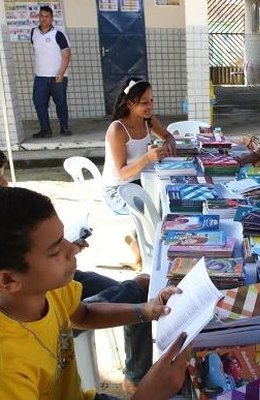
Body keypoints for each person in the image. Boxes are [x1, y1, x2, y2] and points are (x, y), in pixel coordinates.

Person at [0, 186, 191, 400]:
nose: (72, 249)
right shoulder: (7, 368)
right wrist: (147, 394)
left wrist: (145, 311)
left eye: (63, 238)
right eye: (54, 251)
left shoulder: (46, 290)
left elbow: (84, 314)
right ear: (8, 280)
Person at [102, 77, 177, 215]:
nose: (150, 106)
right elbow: (122, 173)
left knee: (173, 197)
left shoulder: (147, 119)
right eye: (144, 102)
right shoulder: (117, 130)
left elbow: (167, 136)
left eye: (151, 101)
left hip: (142, 181)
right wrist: (147, 158)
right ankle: (142, 235)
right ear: (130, 103)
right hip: (118, 190)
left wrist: (169, 141)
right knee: (157, 208)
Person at [31, 6, 72, 138]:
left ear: (51, 18)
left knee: (60, 103)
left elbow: (66, 54)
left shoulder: (58, 34)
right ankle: (45, 129)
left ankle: (64, 127)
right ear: (39, 17)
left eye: (47, 16)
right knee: (39, 102)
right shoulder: (33, 33)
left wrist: (61, 72)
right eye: (42, 16)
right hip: (40, 77)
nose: (44, 19)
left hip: (57, 76)